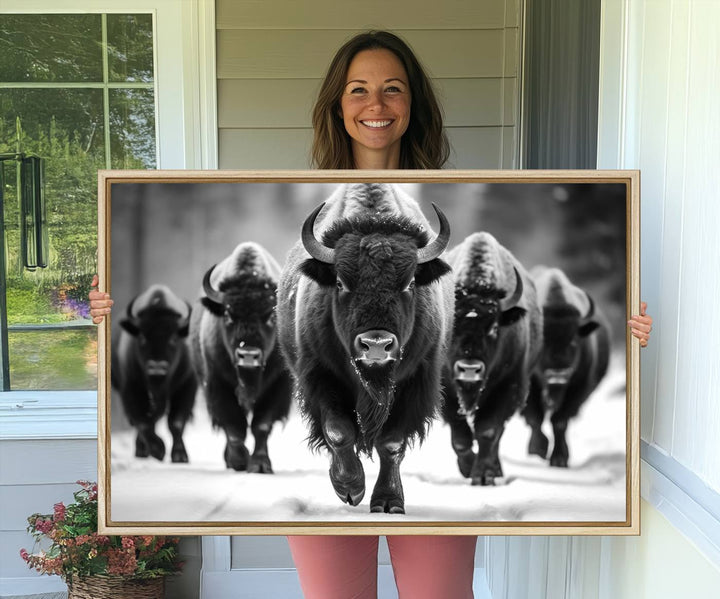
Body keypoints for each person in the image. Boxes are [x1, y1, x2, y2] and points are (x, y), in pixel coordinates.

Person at [90, 30, 653, 599]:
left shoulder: (440, 229)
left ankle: (391, 463)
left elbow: (428, 363)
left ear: (414, 104)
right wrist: (102, 309)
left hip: (406, 368)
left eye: (393, 89)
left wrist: (632, 328)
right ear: (338, 104)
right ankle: (339, 440)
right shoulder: (311, 244)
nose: (376, 105)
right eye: (358, 90)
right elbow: (309, 366)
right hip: (333, 367)